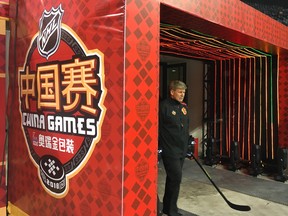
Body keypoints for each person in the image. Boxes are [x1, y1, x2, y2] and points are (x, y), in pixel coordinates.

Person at [159, 80, 190, 216]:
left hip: (181, 150)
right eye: (179, 92)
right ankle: (172, 211)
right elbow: (158, 128)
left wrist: (188, 145)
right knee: (176, 177)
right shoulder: (164, 106)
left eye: (184, 92)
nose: (182, 94)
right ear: (172, 92)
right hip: (169, 150)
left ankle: (168, 207)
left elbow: (185, 128)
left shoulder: (183, 108)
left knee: (173, 179)